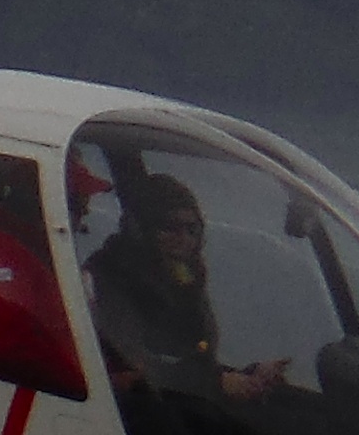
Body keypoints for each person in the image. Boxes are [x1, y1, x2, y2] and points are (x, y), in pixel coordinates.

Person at [84, 172, 280, 410]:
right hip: (137, 410)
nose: (183, 240)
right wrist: (216, 383)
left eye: (191, 230)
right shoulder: (111, 277)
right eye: (170, 228)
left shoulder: (186, 281)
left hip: (183, 404)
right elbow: (132, 366)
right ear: (140, 229)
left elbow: (191, 359)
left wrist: (247, 377)